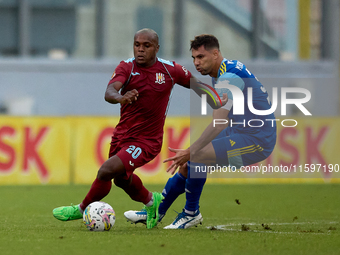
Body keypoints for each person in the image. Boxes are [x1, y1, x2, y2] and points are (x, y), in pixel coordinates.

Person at [52, 29, 223, 229]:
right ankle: (152, 202)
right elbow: (109, 92)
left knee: (106, 170)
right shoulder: (126, 67)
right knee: (121, 180)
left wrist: (220, 101)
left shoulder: (170, 70)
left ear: (156, 48)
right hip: (122, 136)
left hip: (147, 141)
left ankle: (81, 209)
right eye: (137, 44)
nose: (140, 50)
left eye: (146, 46)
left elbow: (198, 86)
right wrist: (121, 97)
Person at [124, 34, 277, 229]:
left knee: (197, 156)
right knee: (189, 165)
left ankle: (190, 213)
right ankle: (156, 211)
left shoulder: (228, 76)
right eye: (194, 58)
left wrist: (191, 151)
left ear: (215, 53)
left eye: (201, 57)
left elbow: (219, 123)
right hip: (239, 131)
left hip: (258, 139)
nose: (196, 63)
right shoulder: (222, 72)